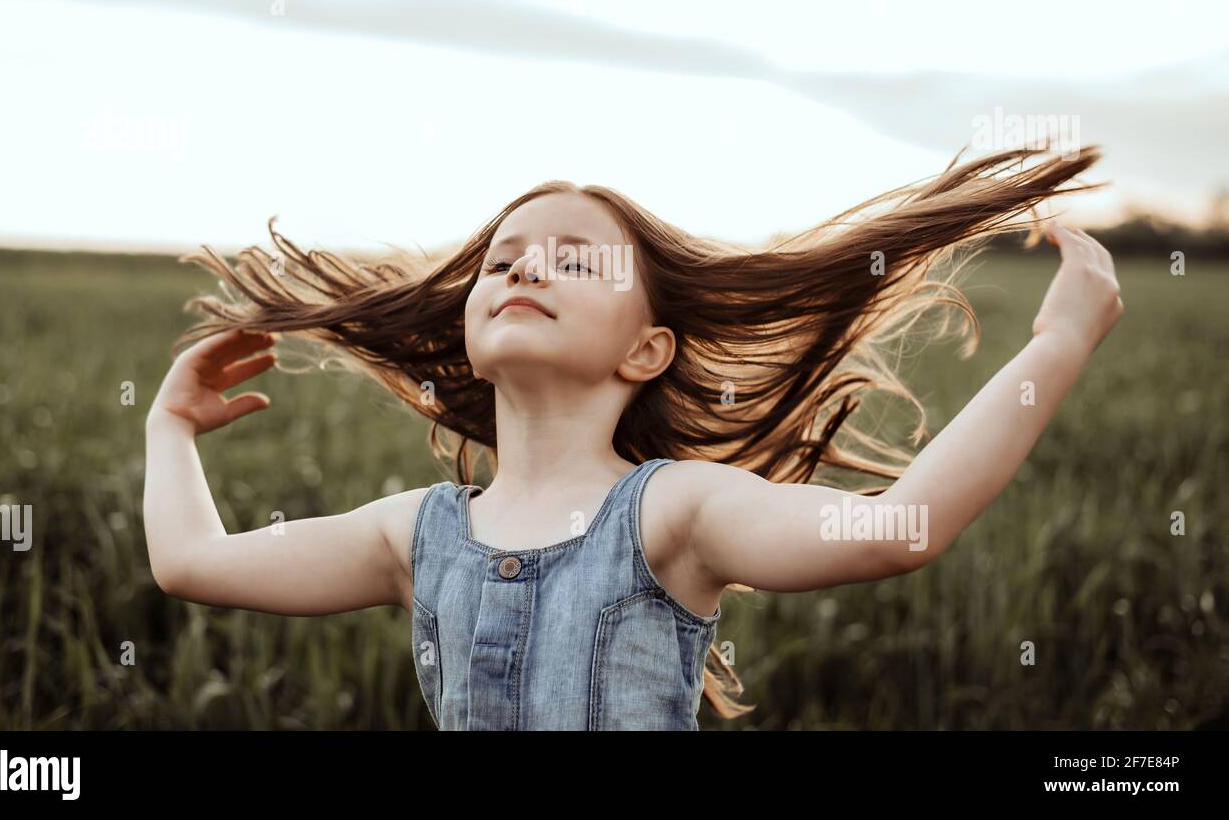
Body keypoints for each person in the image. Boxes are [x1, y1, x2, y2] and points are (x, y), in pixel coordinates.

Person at [143, 144, 1123, 729]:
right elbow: (191, 561)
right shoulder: (415, 535)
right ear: (474, 332)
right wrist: (170, 427)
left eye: (575, 259)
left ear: (648, 348)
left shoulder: (673, 512)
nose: (525, 270)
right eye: (504, 260)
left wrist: (1061, 339)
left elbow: (899, 528)